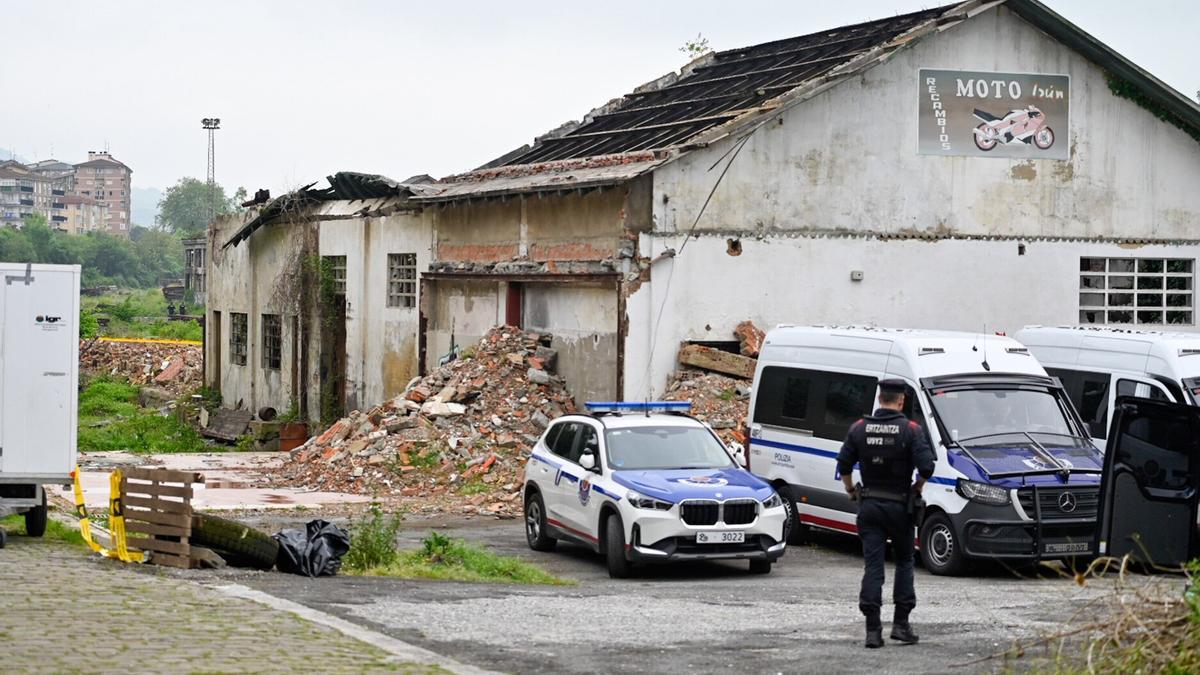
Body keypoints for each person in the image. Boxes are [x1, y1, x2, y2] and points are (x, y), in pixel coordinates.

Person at [837, 378, 936, 649]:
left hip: (869, 505)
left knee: (873, 566)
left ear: (880, 399)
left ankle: (872, 631)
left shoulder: (859, 428)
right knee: (904, 562)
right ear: (901, 401)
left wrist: (850, 490)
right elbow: (927, 467)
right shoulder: (911, 430)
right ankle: (901, 625)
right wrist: (917, 488)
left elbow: (844, 463)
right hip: (900, 507)